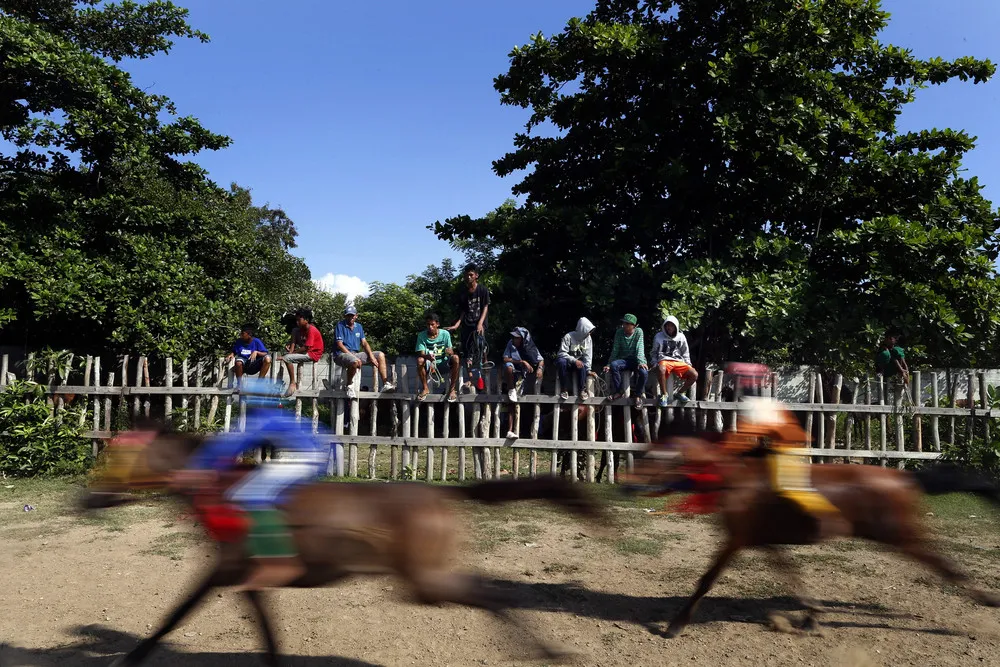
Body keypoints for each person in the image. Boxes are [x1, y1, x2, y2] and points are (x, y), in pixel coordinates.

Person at [169, 378, 327, 590]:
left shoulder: (262, 417)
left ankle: (279, 563)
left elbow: (231, 445)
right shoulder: (277, 415)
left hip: (302, 458)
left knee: (249, 493)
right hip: (311, 455)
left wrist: (196, 467)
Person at [333, 305, 395, 398]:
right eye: (348, 315)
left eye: (352, 315)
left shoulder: (359, 327)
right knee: (355, 361)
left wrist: (371, 356)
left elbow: (364, 343)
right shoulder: (340, 325)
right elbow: (340, 345)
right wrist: (352, 356)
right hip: (341, 354)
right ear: (345, 316)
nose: (350, 317)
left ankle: (385, 383)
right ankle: (349, 385)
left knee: (380, 355)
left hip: (355, 353)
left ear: (356, 316)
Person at [446, 264, 490, 387]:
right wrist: (456, 325)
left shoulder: (482, 290)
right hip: (467, 323)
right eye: (467, 275)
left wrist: (481, 323)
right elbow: (463, 311)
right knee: (466, 352)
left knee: (480, 346)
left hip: (479, 323)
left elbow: (485, 307)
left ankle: (485, 365)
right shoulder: (463, 293)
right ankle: (471, 378)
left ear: (476, 276)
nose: (468, 277)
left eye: (471, 275)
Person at [651, 316, 698, 407]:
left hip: (678, 361)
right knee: (661, 369)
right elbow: (654, 352)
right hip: (664, 360)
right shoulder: (658, 336)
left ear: (676, 326)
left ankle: (680, 393)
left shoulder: (681, 336)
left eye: (671, 326)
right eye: (667, 325)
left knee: (694, 374)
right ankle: (664, 395)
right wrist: (654, 362)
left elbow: (685, 352)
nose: (669, 328)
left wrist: (688, 363)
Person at [603, 314, 648, 408]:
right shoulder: (619, 332)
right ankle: (619, 391)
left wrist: (640, 362)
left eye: (627, 324)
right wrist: (609, 364)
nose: (625, 325)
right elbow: (615, 349)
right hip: (623, 360)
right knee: (614, 365)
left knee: (644, 373)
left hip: (637, 359)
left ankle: (638, 395)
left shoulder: (639, 332)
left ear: (634, 325)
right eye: (624, 323)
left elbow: (639, 347)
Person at [416, 312, 460, 402]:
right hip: (430, 364)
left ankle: (452, 390)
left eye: (432, 324)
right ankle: (425, 388)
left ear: (437, 324)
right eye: (428, 325)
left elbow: (451, 351)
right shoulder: (421, 335)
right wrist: (427, 357)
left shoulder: (445, 334)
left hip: (444, 363)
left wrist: (450, 352)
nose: (430, 327)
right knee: (420, 360)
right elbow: (421, 353)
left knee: (456, 358)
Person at [280, 309, 324, 396]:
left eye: (299, 320)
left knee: (287, 358)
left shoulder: (312, 330)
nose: (297, 322)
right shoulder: (297, 330)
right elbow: (293, 343)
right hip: (305, 351)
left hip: (313, 353)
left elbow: (306, 347)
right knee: (287, 356)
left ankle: (292, 383)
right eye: (296, 320)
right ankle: (287, 359)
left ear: (306, 320)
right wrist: (290, 352)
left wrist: (290, 355)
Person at [556, 317, 595, 401]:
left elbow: (588, 355)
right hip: (567, 362)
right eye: (587, 331)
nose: (589, 334)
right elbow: (561, 353)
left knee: (583, 365)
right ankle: (564, 390)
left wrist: (588, 369)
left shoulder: (588, 339)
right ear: (582, 329)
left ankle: (582, 390)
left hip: (577, 363)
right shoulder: (568, 336)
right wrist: (574, 360)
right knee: (561, 362)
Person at [502, 327, 544, 404]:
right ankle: (511, 389)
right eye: (514, 337)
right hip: (511, 375)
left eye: (517, 338)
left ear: (523, 339)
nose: (514, 339)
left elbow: (541, 360)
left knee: (520, 403)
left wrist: (540, 368)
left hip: (525, 375)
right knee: (508, 366)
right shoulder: (510, 343)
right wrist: (522, 361)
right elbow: (505, 359)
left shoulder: (531, 348)